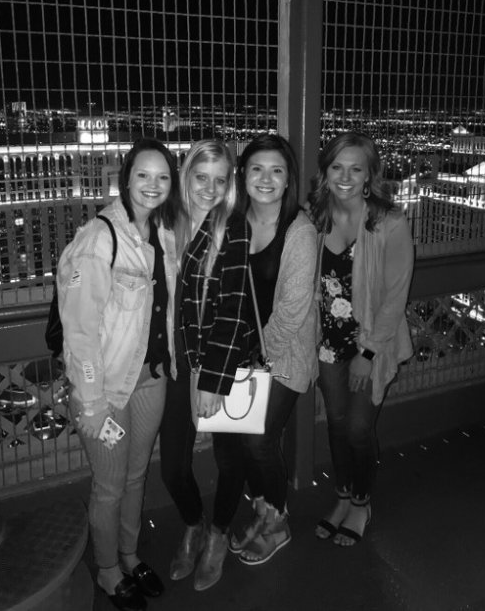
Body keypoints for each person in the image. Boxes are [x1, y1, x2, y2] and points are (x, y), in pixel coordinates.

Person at [57, 138, 180, 611]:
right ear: (126, 178)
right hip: (106, 389)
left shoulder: (163, 235)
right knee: (109, 485)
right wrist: (89, 401)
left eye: (163, 176)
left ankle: (128, 554)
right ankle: (107, 568)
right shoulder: (99, 238)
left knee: (134, 476)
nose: (153, 185)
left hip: (151, 377)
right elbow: (80, 331)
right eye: (143, 175)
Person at [309, 131, 414, 547]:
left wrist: (367, 353)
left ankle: (361, 501)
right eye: (337, 166)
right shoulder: (313, 217)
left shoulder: (389, 222)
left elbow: (395, 295)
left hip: (371, 343)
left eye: (356, 168)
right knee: (335, 424)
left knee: (357, 427)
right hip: (327, 343)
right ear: (325, 171)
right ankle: (341, 495)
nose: (345, 176)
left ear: (371, 174)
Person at [159, 139, 251, 592]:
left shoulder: (232, 228)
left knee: (230, 459)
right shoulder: (167, 222)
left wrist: (213, 379)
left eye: (220, 180)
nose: (210, 189)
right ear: (186, 174)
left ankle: (218, 533)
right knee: (172, 467)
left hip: (221, 362)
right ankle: (194, 523)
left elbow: (234, 309)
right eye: (201, 177)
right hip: (178, 361)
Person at [228, 132, 318, 566]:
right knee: (245, 442)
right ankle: (263, 508)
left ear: (288, 181)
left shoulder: (299, 231)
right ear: (242, 174)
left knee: (261, 441)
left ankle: (278, 521)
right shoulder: (233, 220)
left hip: (282, 353)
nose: (266, 178)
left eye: (276, 170)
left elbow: (293, 311)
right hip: (240, 351)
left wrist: (257, 357)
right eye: (257, 168)